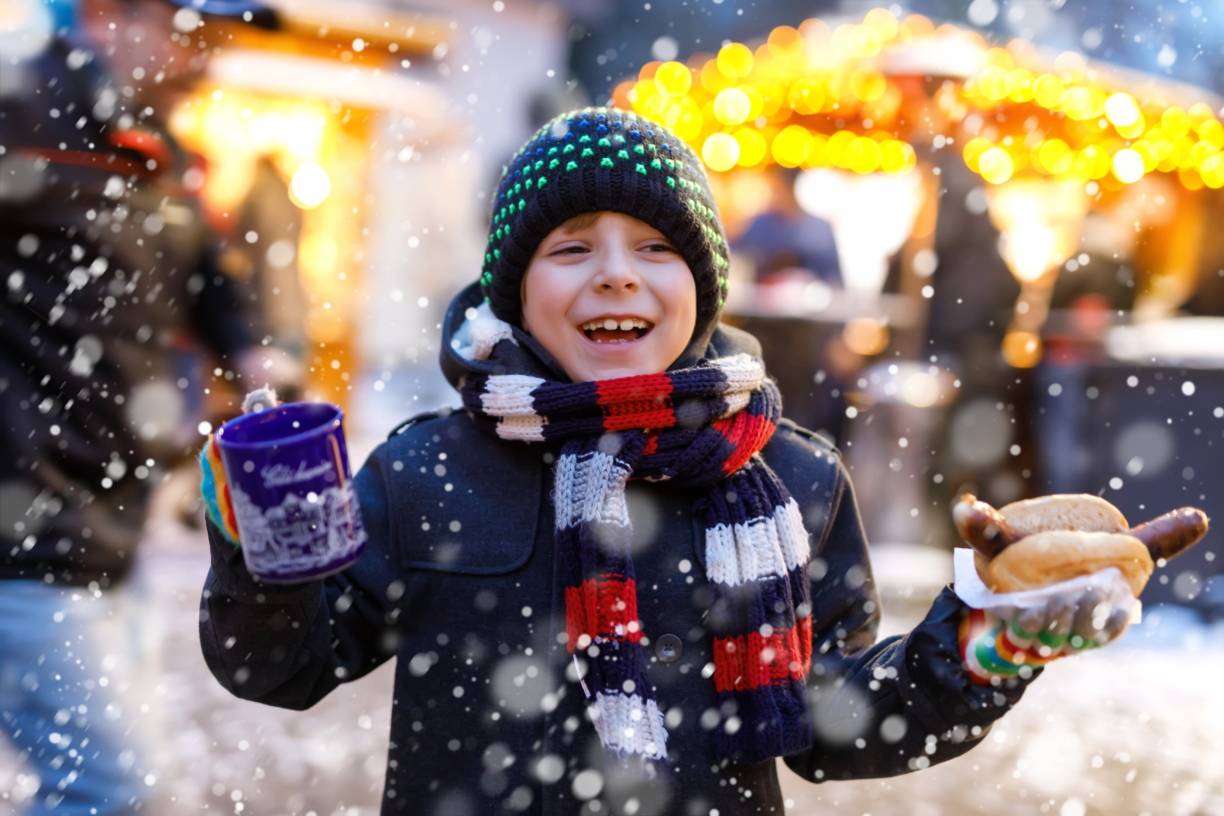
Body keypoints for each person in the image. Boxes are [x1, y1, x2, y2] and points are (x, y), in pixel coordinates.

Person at [197, 108, 1132, 815]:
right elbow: (283, 668)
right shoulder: (427, 471)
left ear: (705, 288)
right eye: (572, 249)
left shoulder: (793, 481)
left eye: (655, 247)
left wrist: (981, 648)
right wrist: (258, 556)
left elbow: (833, 723)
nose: (616, 273)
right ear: (516, 293)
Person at [0, 0, 285, 812]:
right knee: (113, 788)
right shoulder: (19, 109)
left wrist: (259, 350)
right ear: (110, 15)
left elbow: (201, 278)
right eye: (196, 35)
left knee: (115, 786)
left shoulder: (154, 150)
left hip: (109, 529)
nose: (209, 60)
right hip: (25, 534)